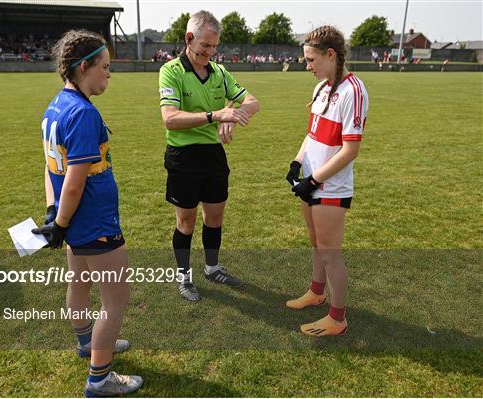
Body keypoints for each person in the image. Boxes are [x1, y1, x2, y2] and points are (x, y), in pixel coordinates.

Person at [31, 29, 143, 396]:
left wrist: (55, 214)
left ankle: (85, 344)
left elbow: (51, 170)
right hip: (93, 221)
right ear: (83, 68)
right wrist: (61, 221)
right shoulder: (82, 114)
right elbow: (75, 183)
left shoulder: (55, 106)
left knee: (78, 284)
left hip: (73, 219)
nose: (110, 74)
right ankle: (100, 378)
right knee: (116, 300)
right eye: (105, 67)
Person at [158, 10, 260, 302]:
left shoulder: (219, 72)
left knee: (214, 218)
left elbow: (253, 102)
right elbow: (170, 119)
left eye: (215, 46)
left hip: (213, 156)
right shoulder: (171, 71)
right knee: (186, 222)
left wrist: (232, 117)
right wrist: (216, 114)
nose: (210, 52)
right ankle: (184, 276)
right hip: (183, 157)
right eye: (205, 46)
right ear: (189, 38)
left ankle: (213, 268)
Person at [285, 26, 369, 337]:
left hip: (330, 186)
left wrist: (314, 179)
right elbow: (313, 134)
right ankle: (317, 292)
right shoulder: (321, 87)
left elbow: (351, 150)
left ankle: (337, 318)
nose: (307, 66)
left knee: (330, 251)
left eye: (311, 59)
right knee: (316, 242)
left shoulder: (353, 91)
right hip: (311, 181)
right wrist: (297, 162)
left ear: (330, 55)